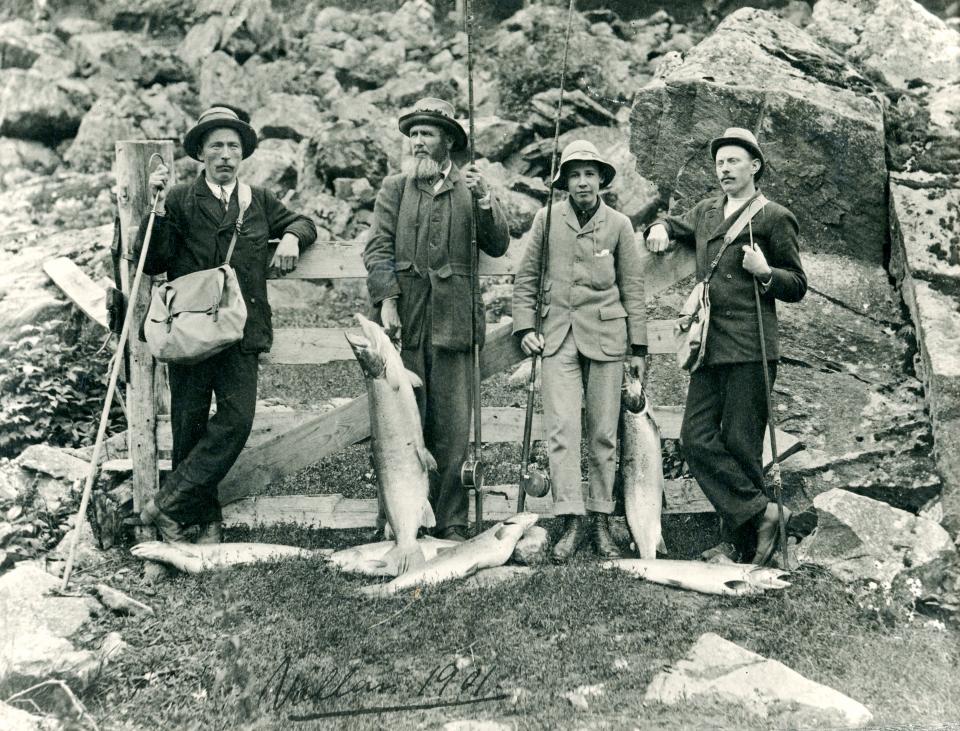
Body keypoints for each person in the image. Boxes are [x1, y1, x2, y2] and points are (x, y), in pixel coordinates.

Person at [137, 105, 317, 544]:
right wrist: (155, 208)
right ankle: (200, 524)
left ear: (243, 154)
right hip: (190, 332)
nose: (224, 155)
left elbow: (304, 221)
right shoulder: (178, 199)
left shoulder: (257, 201)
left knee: (237, 420)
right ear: (200, 153)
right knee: (189, 426)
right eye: (215, 145)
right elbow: (153, 259)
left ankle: (166, 505)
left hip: (240, 332)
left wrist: (292, 236)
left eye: (232, 146)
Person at [644, 127, 806, 565]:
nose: (725, 169)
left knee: (740, 442)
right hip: (708, 347)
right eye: (719, 163)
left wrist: (765, 270)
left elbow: (797, 285)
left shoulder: (774, 217)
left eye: (734, 161)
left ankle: (741, 546)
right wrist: (658, 228)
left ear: (754, 166)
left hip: (752, 347)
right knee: (696, 439)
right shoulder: (706, 210)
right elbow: (671, 225)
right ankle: (765, 514)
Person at [363, 97, 510, 542]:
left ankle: (451, 523)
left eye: (428, 134)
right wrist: (388, 299)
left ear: (448, 141)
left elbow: (499, 244)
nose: (419, 142)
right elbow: (377, 248)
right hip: (406, 321)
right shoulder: (395, 187)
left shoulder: (471, 187)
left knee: (451, 428)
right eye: (414, 134)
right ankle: (397, 517)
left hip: (454, 322)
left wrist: (486, 202)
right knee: (399, 422)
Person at [512, 140, 648, 563]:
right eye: (575, 174)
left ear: (601, 180)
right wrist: (525, 329)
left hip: (607, 339)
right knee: (562, 431)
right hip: (558, 339)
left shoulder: (620, 225)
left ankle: (602, 519)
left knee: (605, 433)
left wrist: (638, 347)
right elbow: (526, 279)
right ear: (565, 182)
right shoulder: (546, 219)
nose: (583, 181)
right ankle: (571, 519)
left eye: (590, 173)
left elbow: (634, 289)